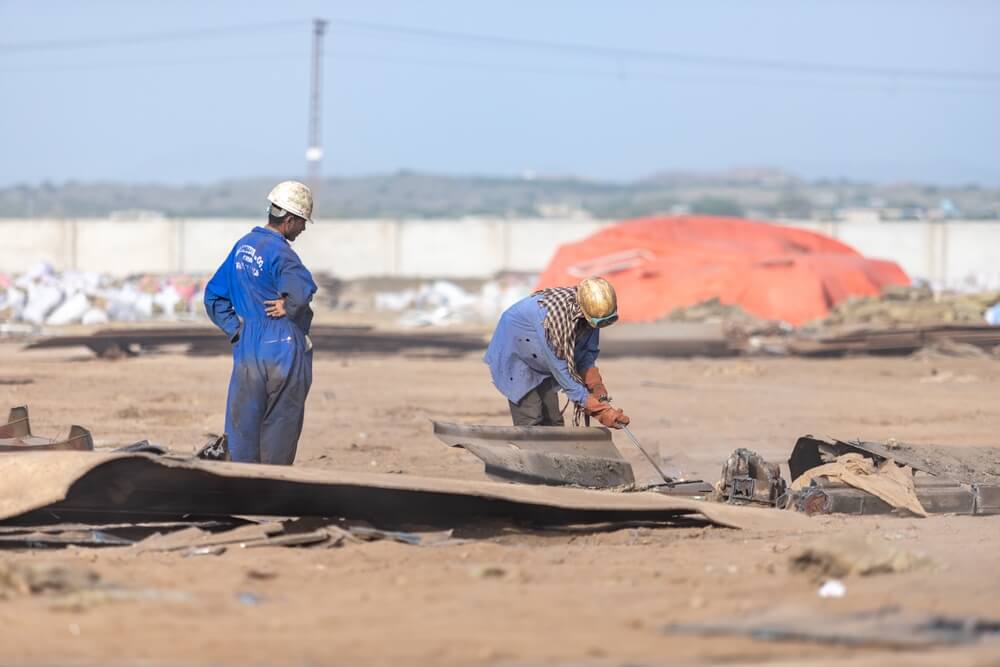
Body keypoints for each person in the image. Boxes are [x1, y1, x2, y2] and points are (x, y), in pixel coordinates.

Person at [204, 181, 318, 464]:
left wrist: (236, 330)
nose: (303, 229)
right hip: (282, 346)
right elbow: (303, 292)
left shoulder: (243, 246)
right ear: (289, 219)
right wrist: (289, 307)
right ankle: (271, 490)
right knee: (280, 424)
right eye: (302, 222)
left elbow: (213, 296)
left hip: (249, 345)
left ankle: (242, 487)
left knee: (244, 423)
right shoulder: (282, 253)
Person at [484, 277, 629, 428]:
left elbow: (587, 353)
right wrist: (599, 411)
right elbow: (561, 371)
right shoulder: (553, 321)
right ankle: (531, 451)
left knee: (553, 421)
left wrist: (596, 387)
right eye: (599, 323)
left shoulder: (590, 315)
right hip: (515, 349)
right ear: (583, 310)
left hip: (540, 356)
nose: (600, 326)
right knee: (532, 418)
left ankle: (553, 452)